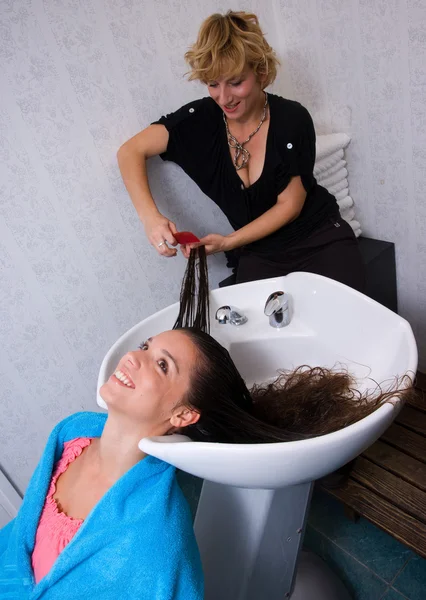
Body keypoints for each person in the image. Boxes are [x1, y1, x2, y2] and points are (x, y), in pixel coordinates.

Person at [0, 329, 409, 598]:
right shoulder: (69, 435)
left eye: (162, 365)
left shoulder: (156, 540)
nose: (134, 358)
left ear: (183, 416)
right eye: (146, 347)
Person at [117, 10, 365, 291]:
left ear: (260, 72)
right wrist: (151, 218)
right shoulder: (199, 121)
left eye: (235, 82)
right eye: (213, 83)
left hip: (318, 238)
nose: (224, 98)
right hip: (260, 253)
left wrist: (227, 242)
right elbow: (130, 151)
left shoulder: (292, 119)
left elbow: (290, 206)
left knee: (346, 323)